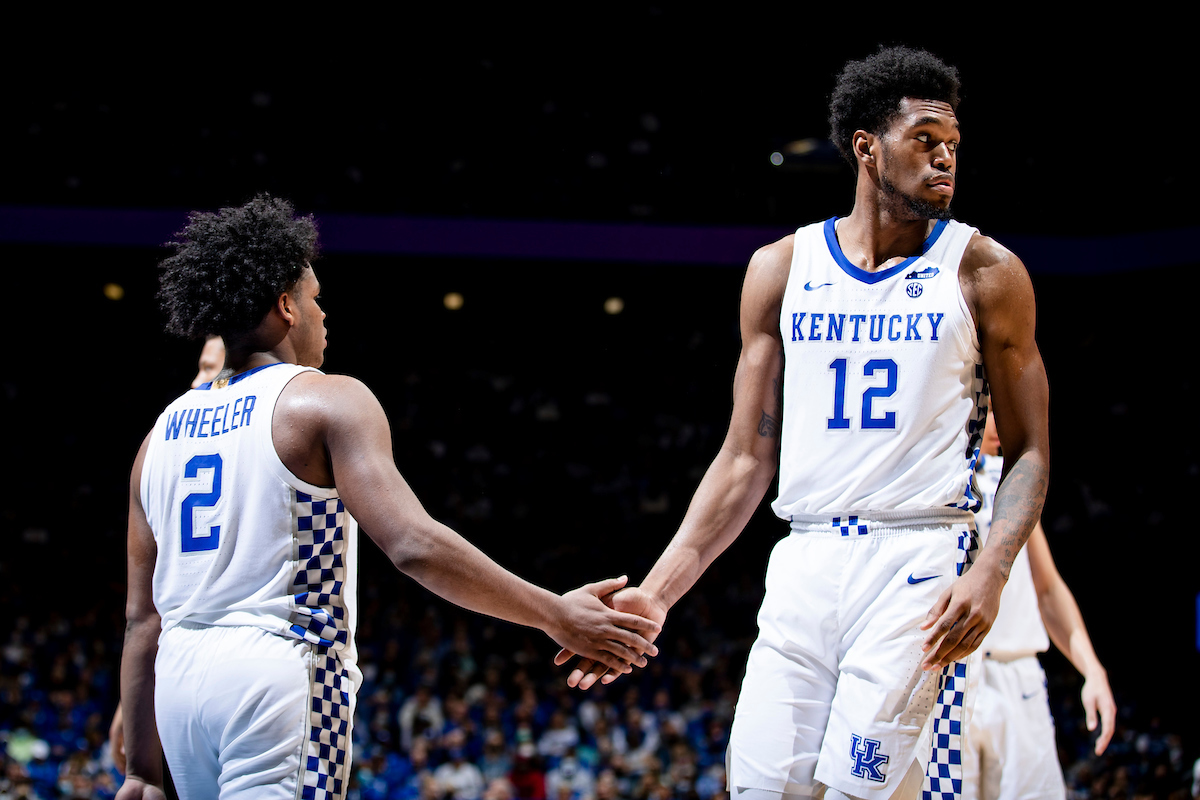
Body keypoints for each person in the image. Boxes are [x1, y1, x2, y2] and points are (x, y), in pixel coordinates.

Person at [561, 46, 1050, 800]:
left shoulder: (985, 270)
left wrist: (991, 570)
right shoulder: (782, 268)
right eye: (925, 139)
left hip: (922, 555)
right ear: (866, 147)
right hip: (805, 557)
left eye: (953, 143)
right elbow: (743, 459)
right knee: (758, 786)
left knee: (866, 790)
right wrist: (657, 593)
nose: (946, 157)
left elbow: (1030, 452)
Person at [116, 195, 661, 800]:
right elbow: (412, 545)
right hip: (279, 668)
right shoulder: (323, 399)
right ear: (286, 306)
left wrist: (140, 773)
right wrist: (555, 614)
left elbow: (142, 619)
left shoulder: (158, 436)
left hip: (179, 681)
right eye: (315, 297)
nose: (324, 313)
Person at [963, 408, 1115, 800]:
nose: (1001, 421)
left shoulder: (1008, 481)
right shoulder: (929, 481)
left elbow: (1046, 588)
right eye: (990, 409)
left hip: (1018, 677)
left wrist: (1092, 669)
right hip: (952, 678)